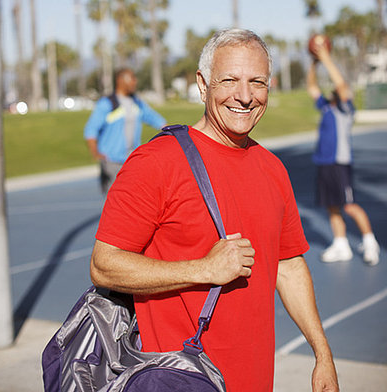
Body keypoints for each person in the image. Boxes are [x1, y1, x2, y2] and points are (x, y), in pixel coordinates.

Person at [90, 29, 339, 392]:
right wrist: (205, 269)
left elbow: (288, 265)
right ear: (203, 85)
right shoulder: (156, 161)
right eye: (230, 80)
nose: (245, 96)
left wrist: (322, 353)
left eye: (257, 82)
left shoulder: (272, 168)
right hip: (179, 378)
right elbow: (103, 265)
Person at [306, 37, 380, 265]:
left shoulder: (346, 109)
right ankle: (341, 245)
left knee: (349, 205)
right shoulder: (327, 107)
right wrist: (314, 63)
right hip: (324, 162)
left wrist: (326, 58)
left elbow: (341, 84)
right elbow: (311, 87)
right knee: (332, 206)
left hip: (340, 162)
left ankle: (370, 242)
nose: (336, 91)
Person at [84, 67, 166, 194]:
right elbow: (91, 130)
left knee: (134, 198)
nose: (135, 82)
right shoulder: (107, 103)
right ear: (120, 80)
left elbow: (155, 119)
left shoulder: (136, 102)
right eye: (131, 78)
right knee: (116, 198)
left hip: (132, 160)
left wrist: (172, 132)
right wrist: (96, 153)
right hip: (112, 161)